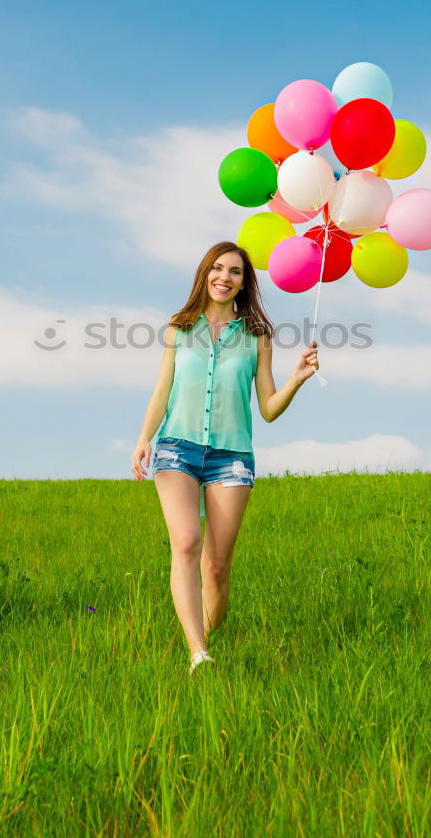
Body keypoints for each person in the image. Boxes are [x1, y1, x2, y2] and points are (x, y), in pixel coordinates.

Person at [131, 241, 319, 675]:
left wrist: (297, 378)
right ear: (204, 274)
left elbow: (268, 408)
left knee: (216, 566)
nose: (224, 277)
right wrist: (144, 438)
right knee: (185, 543)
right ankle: (198, 653)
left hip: (232, 457)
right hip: (176, 447)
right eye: (217, 268)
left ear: (244, 282)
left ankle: (208, 642)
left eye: (235, 271)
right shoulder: (178, 329)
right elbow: (162, 391)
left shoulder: (257, 337)